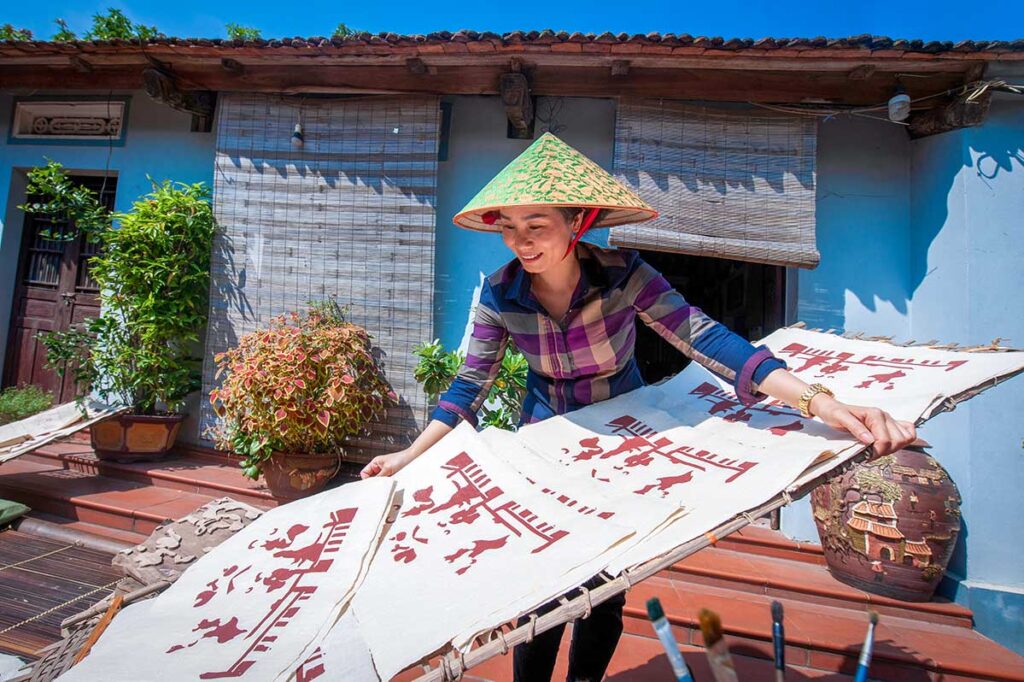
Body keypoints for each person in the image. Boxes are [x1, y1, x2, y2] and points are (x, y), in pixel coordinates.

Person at [361, 133, 916, 681]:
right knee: (542, 588)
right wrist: (406, 456)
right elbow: (468, 387)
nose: (520, 243)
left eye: (536, 227)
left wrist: (821, 402)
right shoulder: (501, 295)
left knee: (604, 586)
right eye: (508, 227)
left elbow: (707, 339)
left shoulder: (626, 276)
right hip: (545, 444)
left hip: (621, 447)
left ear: (576, 225)